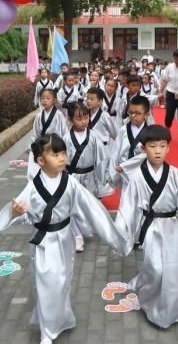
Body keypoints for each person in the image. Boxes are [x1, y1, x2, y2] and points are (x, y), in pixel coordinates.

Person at [0, 134, 127, 344]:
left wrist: (114, 238)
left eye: (63, 153)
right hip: (43, 242)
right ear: (41, 161)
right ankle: (47, 332)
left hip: (65, 239)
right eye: (55, 154)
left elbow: (92, 210)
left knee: (61, 283)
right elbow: (21, 212)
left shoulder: (71, 184)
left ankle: (62, 319)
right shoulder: (33, 187)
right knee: (45, 281)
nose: (62, 158)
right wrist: (16, 212)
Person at [115, 125, 178, 329]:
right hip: (151, 228)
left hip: (171, 226)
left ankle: (174, 309)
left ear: (168, 149)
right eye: (152, 146)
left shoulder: (174, 173)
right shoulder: (137, 176)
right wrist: (121, 231)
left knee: (174, 267)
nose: (157, 150)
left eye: (162, 146)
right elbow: (128, 206)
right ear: (143, 149)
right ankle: (150, 301)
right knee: (156, 267)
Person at [64, 102, 109, 251]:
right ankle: (77, 236)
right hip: (72, 176)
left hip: (89, 176)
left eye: (86, 117)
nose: (84, 121)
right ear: (70, 120)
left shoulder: (94, 136)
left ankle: (86, 229)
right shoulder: (66, 138)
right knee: (71, 206)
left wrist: (102, 177)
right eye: (79, 118)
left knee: (87, 205)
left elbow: (101, 158)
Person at [109, 95, 150, 188]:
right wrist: (113, 174)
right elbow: (115, 152)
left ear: (146, 114)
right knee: (125, 200)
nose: (133, 115)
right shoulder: (123, 130)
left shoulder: (150, 133)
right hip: (124, 174)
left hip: (142, 173)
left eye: (137, 113)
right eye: (130, 112)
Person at [28, 89, 69, 179]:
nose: (44, 101)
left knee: (54, 166)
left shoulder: (59, 115)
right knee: (42, 166)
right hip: (43, 145)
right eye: (42, 98)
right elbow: (36, 132)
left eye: (48, 98)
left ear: (54, 100)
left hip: (55, 145)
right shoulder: (39, 116)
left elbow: (64, 131)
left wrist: (64, 146)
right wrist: (32, 146)